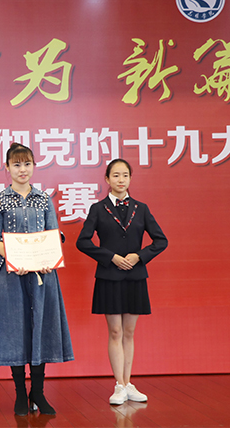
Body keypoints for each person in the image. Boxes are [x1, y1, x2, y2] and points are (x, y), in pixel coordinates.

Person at [0, 143, 74, 416]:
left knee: (40, 328)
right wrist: (15, 258)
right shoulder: (0, 199)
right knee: (16, 330)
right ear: (7, 168)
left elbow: (53, 234)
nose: (22, 170)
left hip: (42, 275)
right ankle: (20, 394)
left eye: (27, 164)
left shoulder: (44, 199)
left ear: (34, 166)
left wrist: (50, 256)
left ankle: (38, 391)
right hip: (11, 275)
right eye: (16, 164)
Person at [76, 158, 167, 405]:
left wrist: (139, 256)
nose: (120, 180)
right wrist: (111, 257)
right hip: (110, 276)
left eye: (125, 175)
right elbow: (82, 241)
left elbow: (161, 240)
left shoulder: (142, 208)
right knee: (115, 331)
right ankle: (119, 385)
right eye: (115, 175)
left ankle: (128, 383)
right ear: (107, 179)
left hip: (135, 276)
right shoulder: (98, 209)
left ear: (130, 178)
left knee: (129, 331)